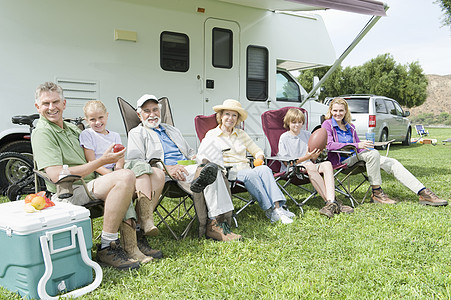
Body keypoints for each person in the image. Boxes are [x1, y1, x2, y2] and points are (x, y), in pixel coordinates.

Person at [32, 82, 141, 271]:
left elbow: (91, 154)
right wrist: (101, 162)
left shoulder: (72, 128)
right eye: (45, 103)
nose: (51, 108)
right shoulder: (43, 133)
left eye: (55, 102)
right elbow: (57, 175)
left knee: (141, 170)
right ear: (37, 107)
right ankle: (108, 246)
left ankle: (137, 239)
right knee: (124, 178)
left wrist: (107, 156)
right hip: (69, 189)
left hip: (92, 181)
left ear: (64, 104)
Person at [126, 94, 241, 241]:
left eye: (155, 110)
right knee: (213, 171)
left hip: (188, 166)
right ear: (139, 114)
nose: (152, 114)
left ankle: (205, 172)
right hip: (168, 172)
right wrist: (167, 168)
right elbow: (136, 162)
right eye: (147, 111)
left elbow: (189, 153)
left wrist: (194, 158)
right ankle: (215, 224)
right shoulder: (137, 133)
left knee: (210, 155)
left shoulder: (172, 130)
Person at [79, 100, 165, 261]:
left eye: (100, 117)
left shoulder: (115, 135)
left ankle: (146, 221)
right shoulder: (87, 135)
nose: (97, 122)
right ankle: (131, 246)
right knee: (123, 185)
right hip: (102, 173)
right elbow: (92, 163)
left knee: (141, 167)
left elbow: (120, 158)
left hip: (117, 171)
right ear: (86, 120)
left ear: (107, 116)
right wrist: (115, 175)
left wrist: (120, 170)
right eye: (92, 120)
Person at [322, 97, 448, 206]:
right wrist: (357, 145)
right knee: (373, 154)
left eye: (341, 111)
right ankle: (377, 193)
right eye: (335, 110)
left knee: (392, 162)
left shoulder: (351, 127)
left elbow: (359, 148)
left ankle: (423, 192)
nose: (338, 113)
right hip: (342, 162)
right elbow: (330, 145)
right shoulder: (327, 124)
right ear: (331, 111)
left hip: (358, 158)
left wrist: (367, 145)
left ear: (345, 111)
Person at [203, 99, 294, 224]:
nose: (230, 118)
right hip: (228, 172)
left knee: (265, 169)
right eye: (227, 114)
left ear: (238, 118)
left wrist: (259, 158)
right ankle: (270, 209)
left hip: (246, 168)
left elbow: (257, 151)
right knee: (251, 174)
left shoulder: (241, 134)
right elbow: (205, 155)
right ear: (221, 116)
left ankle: (277, 209)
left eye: (234, 115)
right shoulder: (212, 135)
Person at [278, 108, 354, 218]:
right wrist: (307, 157)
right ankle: (331, 203)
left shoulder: (307, 134)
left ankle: (331, 202)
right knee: (309, 165)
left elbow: (312, 158)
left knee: (327, 164)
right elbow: (287, 163)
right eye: (294, 122)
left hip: (309, 165)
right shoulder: (284, 138)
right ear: (288, 123)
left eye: (300, 122)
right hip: (293, 168)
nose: (297, 125)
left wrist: (314, 156)